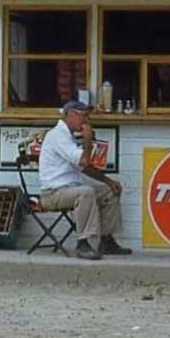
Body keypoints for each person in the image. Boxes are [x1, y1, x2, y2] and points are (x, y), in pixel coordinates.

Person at [37, 99, 131, 260]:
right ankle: (83, 243)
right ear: (71, 115)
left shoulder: (69, 137)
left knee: (109, 191)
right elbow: (83, 161)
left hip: (68, 190)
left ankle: (106, 240)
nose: (86, 120)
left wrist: (108, 181)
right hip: (52, 194)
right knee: (85, 193)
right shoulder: (57, 136)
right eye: (84, 116)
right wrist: (88, 140)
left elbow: (85, 168)